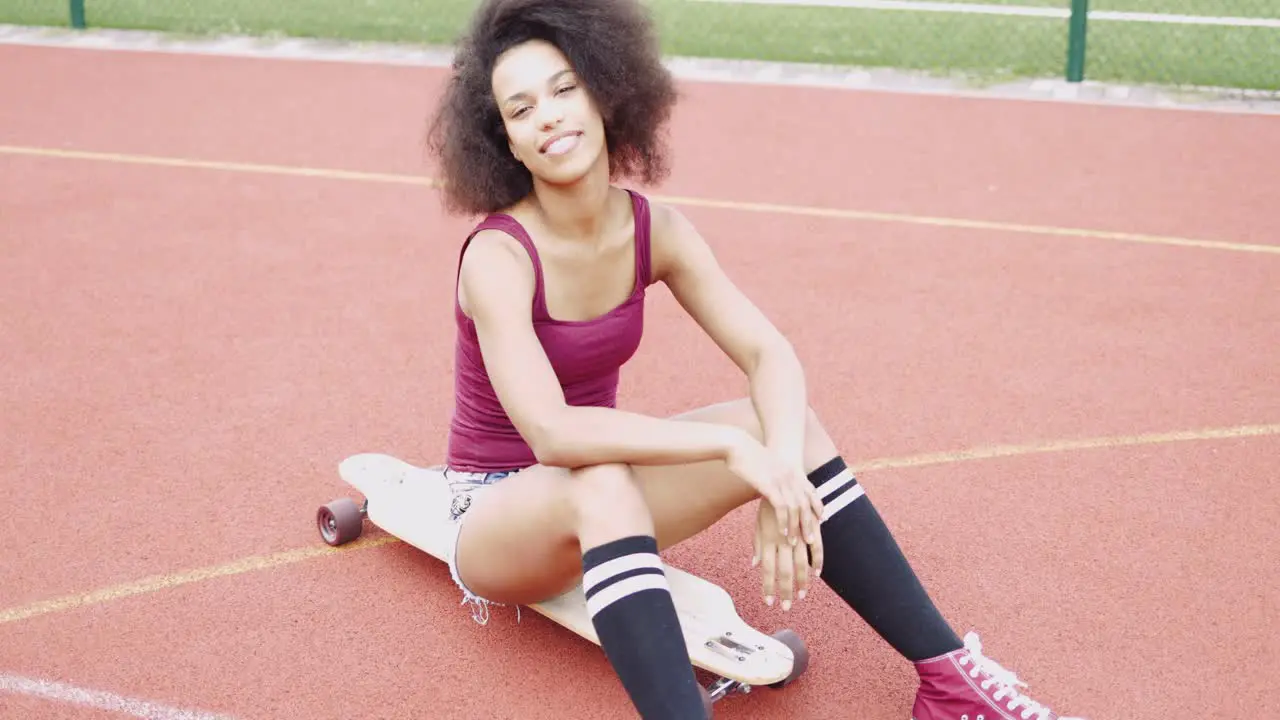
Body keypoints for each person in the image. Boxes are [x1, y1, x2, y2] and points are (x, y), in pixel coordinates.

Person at [423, 1, 1086, 718]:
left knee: (789, 427)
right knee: (606, 481)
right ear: (507, 146)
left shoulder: (657, 231)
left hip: (594, 489)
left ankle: (950, 683)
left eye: (563, 89)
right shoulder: (497, 257)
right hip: (496, 511)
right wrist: (736, 453)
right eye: (521, 111)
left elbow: (768, 352)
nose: (548, 116)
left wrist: (778, 465)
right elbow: (553, 434)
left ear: (605, 92)